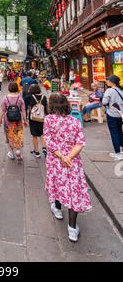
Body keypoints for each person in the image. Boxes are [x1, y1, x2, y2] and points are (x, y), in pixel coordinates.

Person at [43, 93, 91, 243]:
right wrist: (69, 157)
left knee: (57, 185)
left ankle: (57, 209)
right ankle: (72, 229)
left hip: (56, 161)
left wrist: (61, 157)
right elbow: (80, 142)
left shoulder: (48, 120)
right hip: (72, 162)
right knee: (73, 192)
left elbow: (48, 141)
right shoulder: (75, 121)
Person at [0, 82, 26, 162]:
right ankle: (18, 150)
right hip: (18, 121)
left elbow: (3, 111)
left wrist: (0, 119)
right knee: (17, 135)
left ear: (9, 88)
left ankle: (11, 153)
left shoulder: (5, 98)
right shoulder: (20, 98)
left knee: (9, 136)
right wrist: (25, 120)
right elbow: (23, 111)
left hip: (8, 121)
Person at [102, 75, 123, 160]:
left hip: (112, 114)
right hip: (120, 115)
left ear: (112, 82)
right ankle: (121, 150)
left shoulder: (109, 90)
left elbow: (104, 102)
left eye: (108, 80)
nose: (107, 82)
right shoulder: (121, 90)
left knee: (114, 133)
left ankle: (117, 153)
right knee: (119, 131)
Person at [25, 84, 48, 158]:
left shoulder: (29, 97)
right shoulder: (44, 97)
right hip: (42, 118)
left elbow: (25, 106)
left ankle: (36, 151)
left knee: (34, 135)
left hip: (33, 119)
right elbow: (46, 109)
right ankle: (44, 147)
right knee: (42, 133)